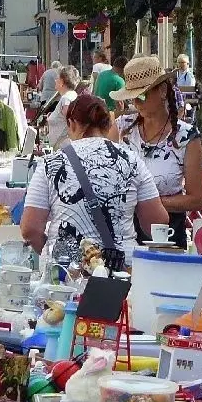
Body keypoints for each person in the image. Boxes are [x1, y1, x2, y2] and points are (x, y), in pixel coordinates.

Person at [21, 93, 167, 271]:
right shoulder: (132, 160)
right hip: (122, 269)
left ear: (72, 124)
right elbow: (157, 222)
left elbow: (30, 229)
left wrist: (51, 252)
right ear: (108, 125)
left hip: (67, 271)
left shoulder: (51, 163)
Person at [108, 55, 202, 250]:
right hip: (123, 233)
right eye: (132, 97)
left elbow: (196, 199)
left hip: (166, 234)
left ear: (162, 91)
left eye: (142, 95)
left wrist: (151, 203)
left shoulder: (186, 137)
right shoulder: (121, 128)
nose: (136, 102)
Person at [45, 66, 80, 150]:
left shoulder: (66, 98)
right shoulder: (71, 95)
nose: (55, 80)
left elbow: (70, 120)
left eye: (57, 78)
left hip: (63, 145)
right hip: (64, 145)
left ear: (62, 82)